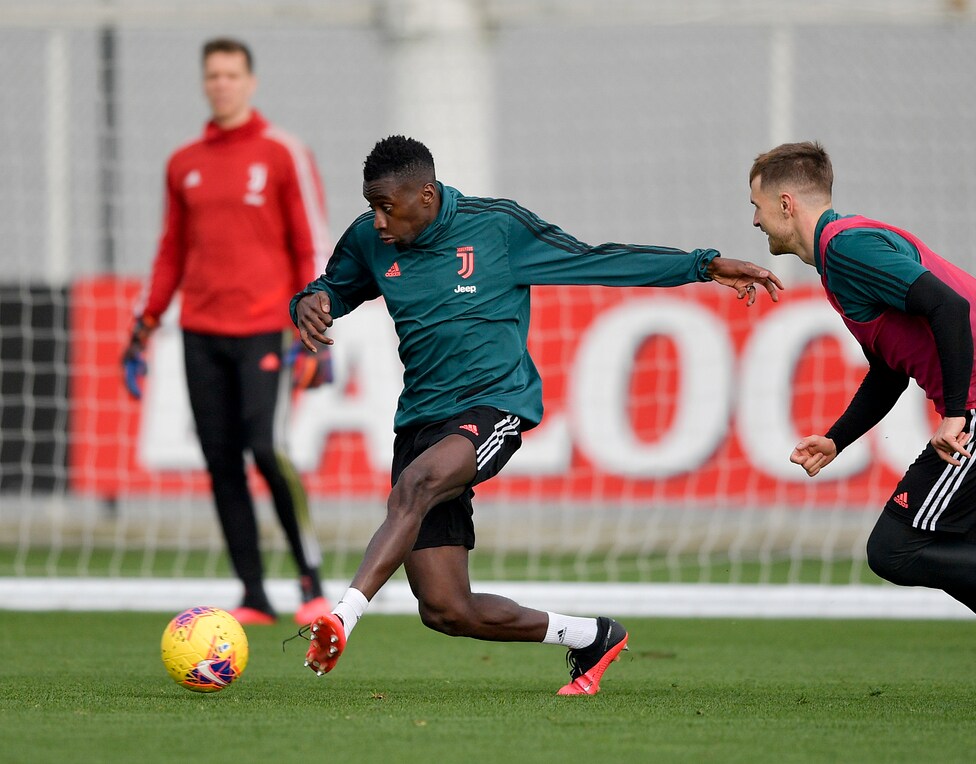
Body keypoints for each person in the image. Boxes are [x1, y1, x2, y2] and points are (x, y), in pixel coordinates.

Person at [291, 135, 783, 695]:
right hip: (420, 422)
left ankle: (343, 616)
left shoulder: (497, 228)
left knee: (417, 484)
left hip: (493, 406)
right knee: (446, 608)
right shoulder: (369, 239)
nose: (378, 220)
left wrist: (702, 265)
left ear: (426, 195)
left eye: (387, 207)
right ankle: (591, 636)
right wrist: (309, 301)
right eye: (371, 206)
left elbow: (596, 259)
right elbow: (332, 288)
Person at [749, 141, 976, 706]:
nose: (754, 220)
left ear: (786, 203)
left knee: (892, 549)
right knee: (954, 560)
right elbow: (889, 370)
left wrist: (957, 412)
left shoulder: (846, 249)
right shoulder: (846, 247)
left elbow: (948, 306)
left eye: (756, 205)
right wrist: (838, 438)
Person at [122, 37, 332, 627]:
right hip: (199, 332)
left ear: (250, 82)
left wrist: (317, 326)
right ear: (204, 82)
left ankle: (311, 581)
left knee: (267, 449)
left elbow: (311, 243)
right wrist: (144, 325)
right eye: (213, 75)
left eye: (231, 74)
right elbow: (170, 250)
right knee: (220, 461)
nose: (222, 84)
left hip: (267, 329)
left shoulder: (283, 152)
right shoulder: (182, 162)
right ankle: (253, 594)